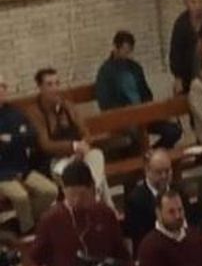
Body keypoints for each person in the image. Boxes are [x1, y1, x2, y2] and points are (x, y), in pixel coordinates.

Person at [22, 67, 107, 196]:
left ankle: (94, 194)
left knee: (96, 156)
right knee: (76, 176)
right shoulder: (34, 112)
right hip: (51, 161)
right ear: (40, 87)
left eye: (57, 83)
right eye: (49, 84)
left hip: (78, 156)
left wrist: (83, 146)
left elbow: (85, 132)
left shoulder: (68, 106)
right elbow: (45, 145)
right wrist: (74, 147)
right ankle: (93, 199)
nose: (55, 88)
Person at [95, 30, 181, 148]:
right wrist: (126, 112)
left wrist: (149, 109)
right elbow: (105, 103)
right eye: (124, 51)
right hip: (123, 119)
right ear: (115, 48)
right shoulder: (105, 72)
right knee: (134, 137)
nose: (127, 55)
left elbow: (146, 92)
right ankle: (147, 157)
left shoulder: (135, 68)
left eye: (129, 51)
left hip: (143, 114)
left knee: (173, 131)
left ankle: (155, 154)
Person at [0, 73, 56, 234]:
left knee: (50, 191)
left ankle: (19, 224)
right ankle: (29, 232)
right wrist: (18, 138)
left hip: (22, 168)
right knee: (21, 197)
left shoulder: (15, 112)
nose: (3, 90)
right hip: (3, 174)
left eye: (4, 86)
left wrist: (10, 139)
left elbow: (32, 136)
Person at [123, 148, 176, 248]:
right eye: (159, 172)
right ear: (147, 171)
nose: (164, 176)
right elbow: (139, 239)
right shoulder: (136, 200)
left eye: (167, 171)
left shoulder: (179, 192)